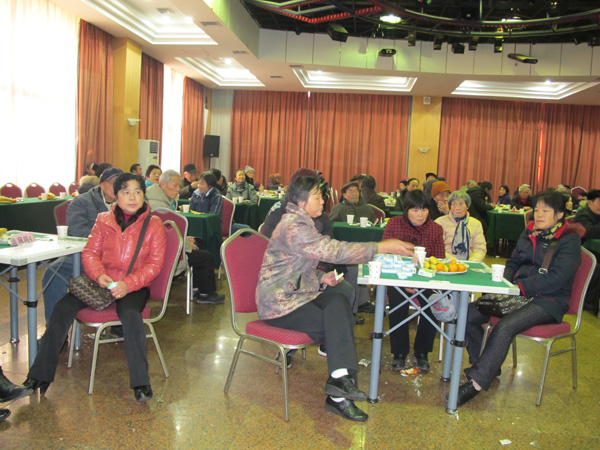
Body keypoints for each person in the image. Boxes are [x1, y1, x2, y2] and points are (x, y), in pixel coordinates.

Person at [256, 175, 414, 421]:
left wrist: (321, 278)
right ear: (301, 202)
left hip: (297, 292)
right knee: (338, 323)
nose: (323, 201)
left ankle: (339, 382)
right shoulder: (294, 226)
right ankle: (339, 393)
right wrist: (381, 247)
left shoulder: (304, 222)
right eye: (317, 197)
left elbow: (294, 268)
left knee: (341, 294)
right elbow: (335, 251)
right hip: (279, 302)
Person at [24, 173, 167, 402]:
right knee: (62, 308)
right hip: (101, 281)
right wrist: (99, 274)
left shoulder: (154, 224)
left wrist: (127, 284)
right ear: (116, 196)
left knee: (130, 315)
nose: (132, 197)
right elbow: (90, 252)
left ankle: (141, 383)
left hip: (134, 285)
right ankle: (38, 377)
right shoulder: (103, 220)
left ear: (144, 195)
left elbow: (155, 264)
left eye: (137, 192)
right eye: (126, 192)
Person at [457, 191, 584, 406]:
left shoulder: (569, 240)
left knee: (505, 326)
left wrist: (521, 287)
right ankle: (486, 366)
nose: (539, 214)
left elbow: (558, 278)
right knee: (467, 314)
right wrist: (505, 285)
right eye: (536, 209)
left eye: (545, 210)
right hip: (518, 294)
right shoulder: (530, 232)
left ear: (560, 214)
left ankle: (477, 382)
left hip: (549, 300)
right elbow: (514, 262)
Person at [42, 168, 123, 323]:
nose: (118, 187)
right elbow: (78, 233)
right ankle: (54, 329)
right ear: (101, 184)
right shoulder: (82, 202)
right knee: (53, 272)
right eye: (113, 183)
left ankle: (119, 322)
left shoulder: (129, 201)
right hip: (89, 254)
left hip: (121, 256)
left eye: (121, 183)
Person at [382, 189, 445, 373]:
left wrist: (420, 283)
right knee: (397, 298)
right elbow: (385, 254)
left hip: (426, 279)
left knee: (433, 299)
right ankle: (399, 352)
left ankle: (422, 351)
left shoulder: (435, 228)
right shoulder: (394, 224)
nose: (420, 214)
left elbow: (438, 260)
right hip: (398, 277)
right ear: (406, 209)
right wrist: (404, 280)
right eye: (415, 210)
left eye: (424, 209)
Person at [146, 170, 224, 304]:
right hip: (166, 253)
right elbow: (166, 236)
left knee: (199, 241)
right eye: (175, 186)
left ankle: (196, 288)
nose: (178, 189)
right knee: (206, 256)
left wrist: (185, 239)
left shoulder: (155, 198)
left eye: (179, 186)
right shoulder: (159, 208)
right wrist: (187, 245)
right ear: (163, 184)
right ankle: (205, 293)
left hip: (166, 246)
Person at [435, 191, 487, 262]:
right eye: (454, 204)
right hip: (446, 262)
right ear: (450, 206)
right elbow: (437, 248)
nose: (457, 208)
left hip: (470, 263)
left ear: (467, 206)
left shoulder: (476, 224)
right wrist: (455, 262)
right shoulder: (440, 222)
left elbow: (480, 248)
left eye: (461, 204)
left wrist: (471, 262)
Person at [573, 188, 600, 310]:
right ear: (590, 202)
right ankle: (588, 300)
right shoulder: (583, 214)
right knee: (597, 268)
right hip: (579, 251)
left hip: (593, 250)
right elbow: (588, 232)